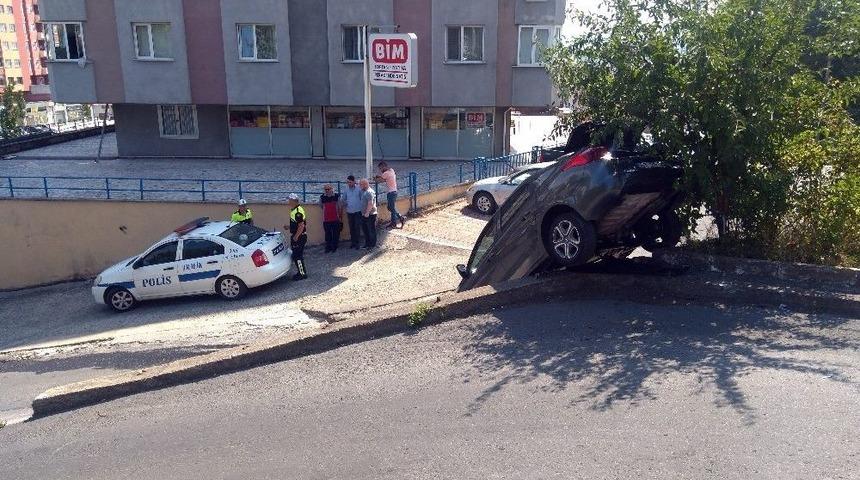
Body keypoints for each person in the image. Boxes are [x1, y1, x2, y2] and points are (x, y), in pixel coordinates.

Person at [283, 193, 308, 280]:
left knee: (297, 256)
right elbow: (297, 224)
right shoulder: (294, 210)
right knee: (296, 255)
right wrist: (289, 227)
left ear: (294, 201)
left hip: (299, 237)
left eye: (290, 200)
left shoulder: (298, 212)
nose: (288, 201)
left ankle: (302, 273)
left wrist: (296, 236)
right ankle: (301, 272)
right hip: (298, 235)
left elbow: (301, 226)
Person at [374, 161, 405, 229]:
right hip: (394, 192)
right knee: (391, 207)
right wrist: (380, 176)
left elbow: (379, 181)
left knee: (391, 208)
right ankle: (393, 222)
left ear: (383, 167)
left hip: (391, 193)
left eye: (380, 168)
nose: (380, 170)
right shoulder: (391, 170)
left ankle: (400, 217)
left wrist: (375, 178)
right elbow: (385, 177)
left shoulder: (385, 173)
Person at [341, 175, 363, 249]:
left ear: (354, 181)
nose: (349, 184)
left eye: (350, 182)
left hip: (358, 211)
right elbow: (343, 199)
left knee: (357, 227)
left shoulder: (359, 189)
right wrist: (346, 203)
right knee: (351, 227)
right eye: (347, 182)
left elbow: (362, 198)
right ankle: (353, 242)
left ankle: (357, 243)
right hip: (349, 211)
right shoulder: (346, 190)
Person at [319, 184, 343, 253]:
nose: (327, 191)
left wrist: (340, 217)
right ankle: (328, 247)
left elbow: (340, 207)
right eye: (325, 189)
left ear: (332, 189)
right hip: (326, 219)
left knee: (336, 234)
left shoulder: (337, 196)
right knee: (327, 234)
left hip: (336, 219)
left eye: (328, 189)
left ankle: (334, 247)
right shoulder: (322, 197)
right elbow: (321, 206)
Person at [359, 178, 378, 250]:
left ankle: (372, 245)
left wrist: (367, 213)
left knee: (371, 230)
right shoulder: (363, 191)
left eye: (361, 184)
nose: (359, 185)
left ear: (365, 184)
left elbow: (370, 203)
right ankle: (367, 244)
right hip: (364, 214)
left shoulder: (369, 192)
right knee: (365, 230)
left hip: (370, 214)